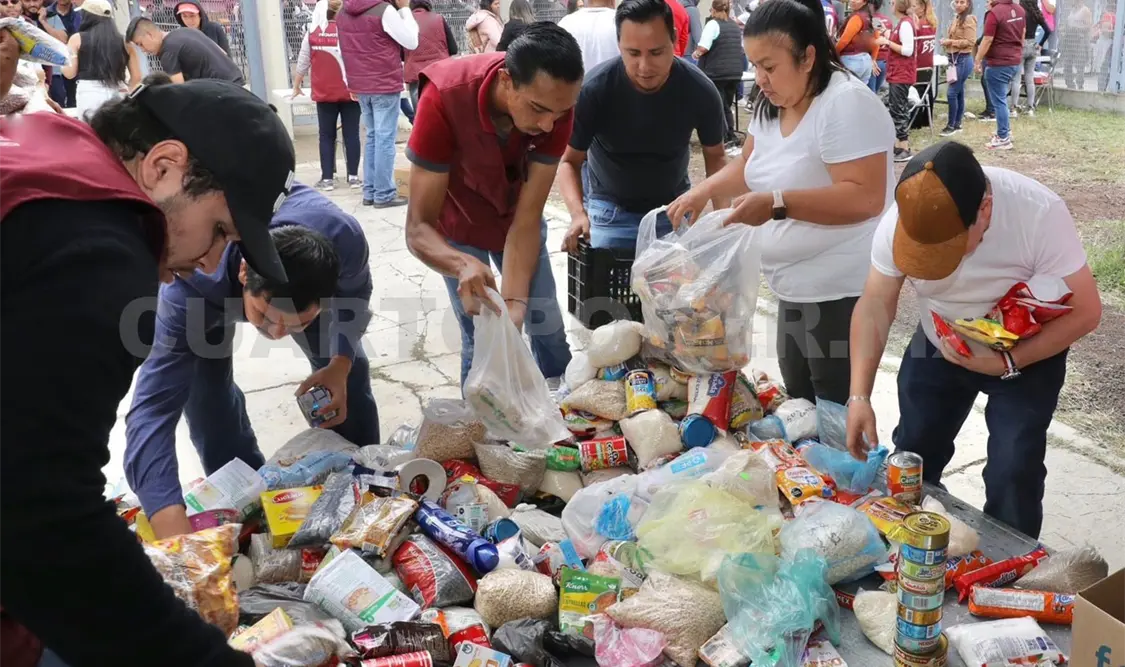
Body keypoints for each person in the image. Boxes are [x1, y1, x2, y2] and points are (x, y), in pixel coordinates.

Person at [0, 61, 295, 666]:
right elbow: (39, 511)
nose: (211, 265)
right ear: (163, 167)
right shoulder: (99, 250)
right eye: (218, 230)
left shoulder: (42, 144)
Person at [846, 141, 1102, 539]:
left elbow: (1087, 310)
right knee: (914, 453)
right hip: (940, 341)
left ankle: (1010, 575)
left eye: (944, 250)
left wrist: (1007, 363)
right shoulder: (902, 219)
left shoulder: (1037, 213)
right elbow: (876, 303)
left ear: (984, 211)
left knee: (1014, 469)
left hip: (1026, 352)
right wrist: (858, 397)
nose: (931, 262)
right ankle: (912, 549)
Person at [667, 0, 894, 406]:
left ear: (807, 57)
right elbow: (749, 164)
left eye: (769, 67)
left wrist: (777, 204)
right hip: (791, 285)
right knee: (799, 398)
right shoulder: (772, 103)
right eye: (755, 66)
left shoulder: (846, 104)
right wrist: (701, 191)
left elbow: (865, 197)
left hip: (839, 289)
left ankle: (844, 468)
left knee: (834, 403)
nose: (761, 78)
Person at [125, 185, 377, 541]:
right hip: (208, 297)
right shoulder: (189, 285)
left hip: (300, 276)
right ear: (245, 273)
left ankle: (366, 485)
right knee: (206, 398)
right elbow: (151, 411)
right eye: (265, 316)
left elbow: (355, 297)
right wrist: (169, 524)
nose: (275, 334)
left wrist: (340, 363)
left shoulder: (344, 239)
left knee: (348, 376)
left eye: (296, 324)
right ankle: (246, 503)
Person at [405, 23, 582, 386]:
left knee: (544, 323)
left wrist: (516, 303)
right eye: (538, 109)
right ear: (505, 81)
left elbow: (528, 217)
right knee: (480, 335)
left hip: (517, 218)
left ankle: (569, 412)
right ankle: (480, 431)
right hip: (459, 221)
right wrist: (459, 262)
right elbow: (418, 228)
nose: (550, 126)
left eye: (561, 113)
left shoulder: (557, 108)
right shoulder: (444, 97)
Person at [559, 0, 727, 252]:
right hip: (609, 212)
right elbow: (569, 162)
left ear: (674, 40)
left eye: (656, 52)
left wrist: (724, 220)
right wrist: (577, 214)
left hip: (673, 210)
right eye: (633, 53)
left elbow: (716, 156)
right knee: (604, 287)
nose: (645, 67)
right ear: (619, 46)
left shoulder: (699, 90)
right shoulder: (595, 90)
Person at [337, 0, 418, 209]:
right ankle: (384, 193)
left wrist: (349, 82)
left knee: (372, 136)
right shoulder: (384, 10)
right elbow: (411, 41)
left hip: (360, 83)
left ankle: (371, 191)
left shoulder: (342, 12)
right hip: (383, 82)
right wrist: (406, 10)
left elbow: (342, 50)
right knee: (384, 138)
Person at [294, 0, 362, 191]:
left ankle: (327, 179)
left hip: (324, 93)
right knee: (352, 134)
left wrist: (297, 84)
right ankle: (354, 177)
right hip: (351, 92)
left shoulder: (313, 33)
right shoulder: (350, 32)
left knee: (326, 135)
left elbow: (303, 60)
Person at [62, 0, 142, 119]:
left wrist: (61, 61)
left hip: (89, 93)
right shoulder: (125, 42)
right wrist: (127, 92)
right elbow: (137, 77)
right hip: (119, 91)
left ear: (87, 16)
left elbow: (69, 73)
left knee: (90, 133)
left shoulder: (77, 39)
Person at [127, 16, 245, 84]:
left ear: (149, 35)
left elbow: (180, 90)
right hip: (236, 80)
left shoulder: (168, 52)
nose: (142, 50)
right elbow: (222, 53)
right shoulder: (185, 31)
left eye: (140, 44)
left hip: (225, 91)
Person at [693, 0, 744, 147]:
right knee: (726, 105)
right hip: (735, 72)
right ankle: (729, 133)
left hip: (717, 72)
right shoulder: (734, 25)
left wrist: (696, 54)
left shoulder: (713, 24)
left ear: (714, 10)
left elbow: (704, 46)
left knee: (720, 106)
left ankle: (727, 135)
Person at [975, 0, 1024, 150]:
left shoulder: (994, 13)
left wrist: (978, 59)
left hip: (998, 63)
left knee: (999, 101)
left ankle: (1003, 137)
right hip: (1014, 61)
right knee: (1002, 98)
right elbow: (1022, 34)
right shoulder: (1020, 10)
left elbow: (987, 38)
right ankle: (1006, 131)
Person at [879, 0, 915, 161]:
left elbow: (908, 50)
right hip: (897, 72)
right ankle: (899, 144)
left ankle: (904, 147)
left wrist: (887, 42)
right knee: (896, 107)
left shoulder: (906, 24)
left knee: (899, 109)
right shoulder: (901, 23)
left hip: (902, 72)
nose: (891, 5)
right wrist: (888, 34)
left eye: (893, 2)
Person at [404, 0, 458, 109]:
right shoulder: (439, 19)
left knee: (420, 115)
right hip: (440, 73)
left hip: (416, 75)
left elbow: (400, 53)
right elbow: (453, 49)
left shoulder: (405, 22)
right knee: (444, 112)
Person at [939, 0, 975, 135]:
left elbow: (970, 42)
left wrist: (951, 42)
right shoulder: (957, 17)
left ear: (968, 4)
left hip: (963, 59)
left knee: (951, 93)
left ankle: (951, 125)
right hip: (953, 59)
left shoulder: (969, 19)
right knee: (958, 92)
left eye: (962, 2)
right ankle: (957, 123)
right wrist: (946, 42)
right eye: (957, 2)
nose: (959, 4)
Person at [558, 0, 619, 72]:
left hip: (578, 82)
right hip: (616, 82)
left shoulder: (565, 24)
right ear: (613, 1)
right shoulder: (622, 21)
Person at [1012, 0, 1048, 114]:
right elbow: (1048, 30)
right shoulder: (1036, 13)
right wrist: (1040, 43)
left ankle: (1013, 107)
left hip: (1020, 44)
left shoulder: (1019, 11)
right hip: (1032, 45)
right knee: (1029, 78)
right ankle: (1030, 107)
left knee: (1016, 79)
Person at [836, 0, 880, 81]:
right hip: (866, 61)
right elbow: (877, 41)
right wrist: (873, 59)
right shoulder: (873, 17)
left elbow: (844, 41)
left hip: (852, 60)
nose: (853, 1)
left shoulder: (857, 17)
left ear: (865, 2)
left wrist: (833, 53)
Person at [1059, 0, 1091, 89]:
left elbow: (1088, 26)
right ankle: (1070, 84)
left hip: (1080, 39)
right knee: (1067, 63)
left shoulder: (1085, 10)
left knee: (1080, 64)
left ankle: (1080, 84)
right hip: (1069, 39)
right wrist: (1064, 29)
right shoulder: (1072, 10)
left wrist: (1077, 28)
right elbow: (1068, 23)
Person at [869, 4, 892, 91]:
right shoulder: (887, 20)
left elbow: (876, 36)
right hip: (885, 60)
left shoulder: (874, 19)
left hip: (875, 60)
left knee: (871, 93)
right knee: (875, 91)